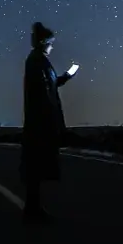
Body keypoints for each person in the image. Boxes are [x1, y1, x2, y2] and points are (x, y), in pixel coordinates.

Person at [19, 21, 75, 223]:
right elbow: (42, 92)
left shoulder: (39, 61)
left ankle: (33, 208)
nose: (52, 46)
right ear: (43, 42)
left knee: (37, 166)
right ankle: (32, 210)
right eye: (50, 43)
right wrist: (50, 119)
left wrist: (66, 76)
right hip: (40, 121)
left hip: (41, 120)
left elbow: (49, 85)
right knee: (36, 165)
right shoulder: (36, 61)